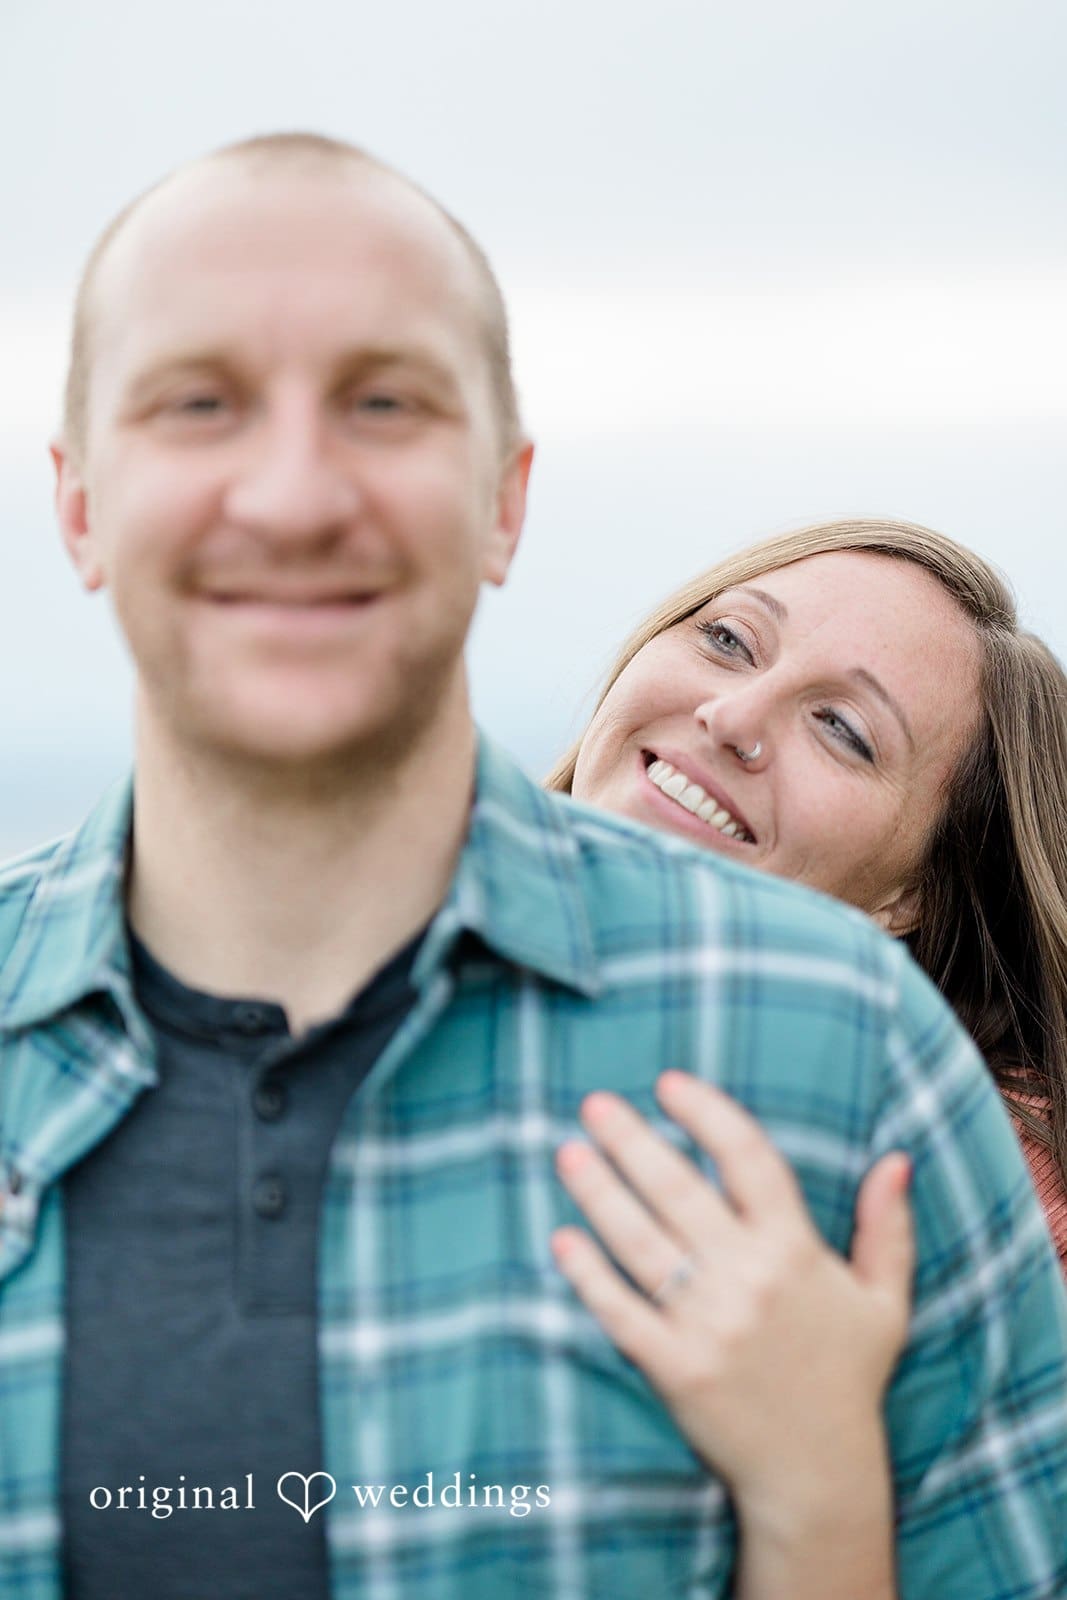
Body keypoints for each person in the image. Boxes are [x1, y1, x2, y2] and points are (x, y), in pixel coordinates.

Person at [0, 133, 1064, 1600]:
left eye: (386, 404)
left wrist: (818, 1494)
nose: (296, 493)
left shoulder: (862, 1071)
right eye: (199, 403)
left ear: (505, 501)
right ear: (75, 505)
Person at [544, 518, 1067, 1593]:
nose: (729, 715)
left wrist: (818, 1471)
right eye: (729, 641)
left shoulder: (971, 1200)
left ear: (907, 891)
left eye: (840, 727)